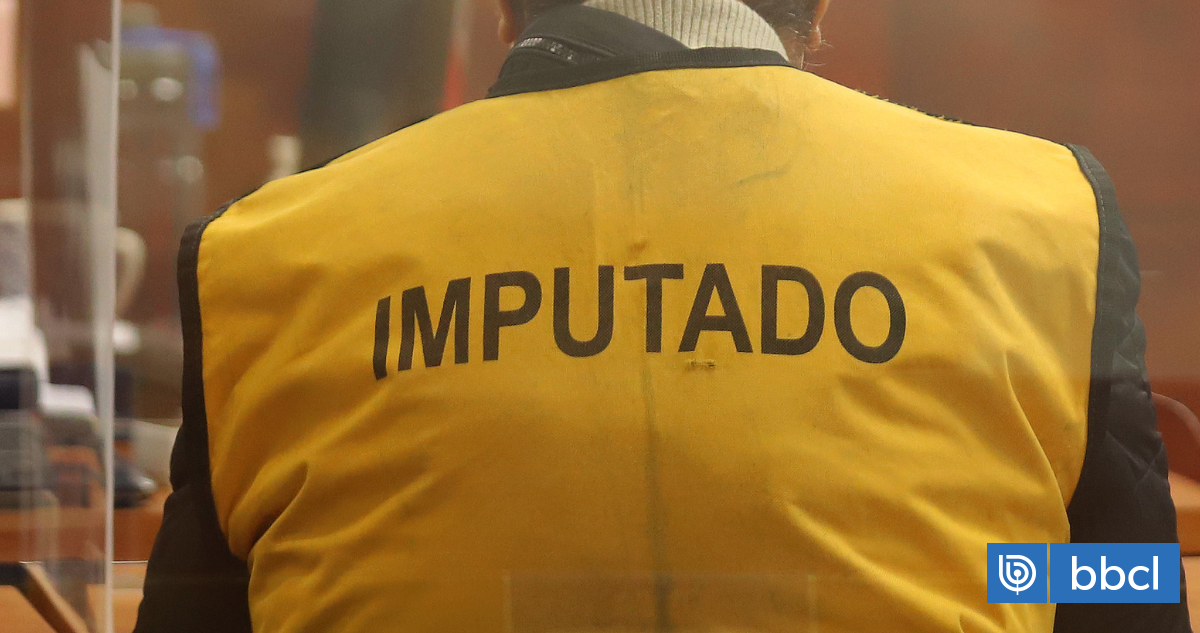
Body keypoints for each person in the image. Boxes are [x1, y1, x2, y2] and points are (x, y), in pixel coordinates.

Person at [133, 1, 1189, 632]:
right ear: (816, 7)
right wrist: (1005, 567)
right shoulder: (1043, 217)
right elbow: (1126, 593)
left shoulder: (266, 257)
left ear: (502, 6)